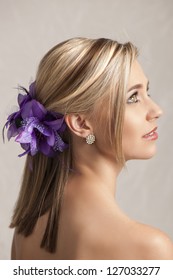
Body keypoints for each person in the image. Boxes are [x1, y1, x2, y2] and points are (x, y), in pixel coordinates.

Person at [4, 37, 173, 260]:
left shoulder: (26, 232)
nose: (156, 110)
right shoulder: (149, 248)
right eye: (132, 97)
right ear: (81, 123)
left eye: (146, 93)